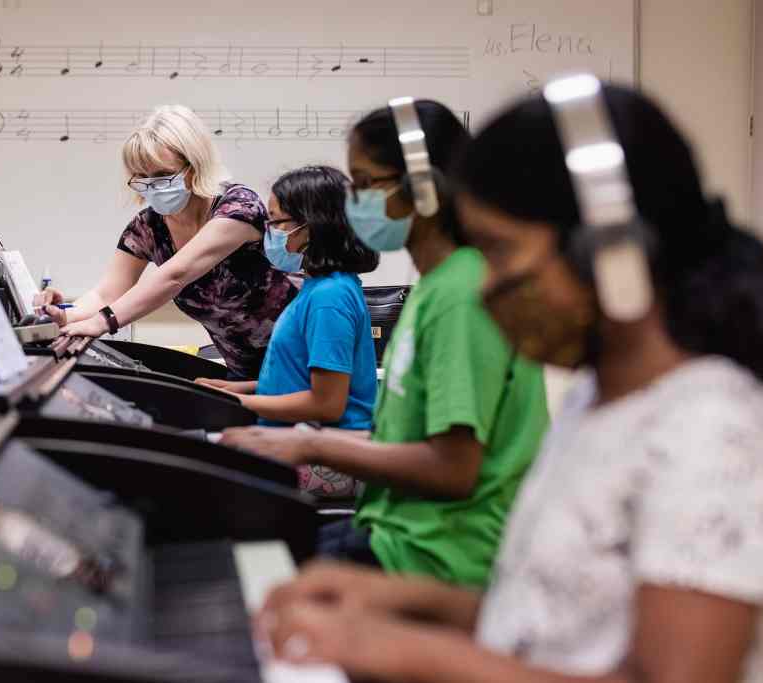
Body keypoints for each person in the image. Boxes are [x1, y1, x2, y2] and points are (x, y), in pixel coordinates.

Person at [256, 82, 763, 683]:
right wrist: (412, 608)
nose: (485, 283)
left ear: (610, 251)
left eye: (499, 252)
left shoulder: (709, 426)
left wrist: (412, 650)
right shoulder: (596, 396)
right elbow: (549, 626)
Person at [222, 100, 549, 583]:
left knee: (246, 571)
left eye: (366, 184)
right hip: (399, 528)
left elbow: (453, 467)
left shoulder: (463, 295)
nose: (354, 203)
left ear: (425, 188)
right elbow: (403, 440)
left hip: (439, 553)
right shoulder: (435, 287)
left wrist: (312, 447)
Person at [35, 105, 296, 379]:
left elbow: (176, 275)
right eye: (142, 177)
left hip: (302, 359)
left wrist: (103, 322)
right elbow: (106, 294)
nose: (152, 186)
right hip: (246, 371)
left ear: (194, 166)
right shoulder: (148, 227)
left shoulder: (239, 207)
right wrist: (65, 316)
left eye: (162, 175)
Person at [198, 165, 379, 497]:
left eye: (277, 221)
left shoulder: (330, 297)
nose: (268, 231)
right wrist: (241, 387)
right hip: (303, 438)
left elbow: (327, 404)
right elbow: (301, 377)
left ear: (313, 226)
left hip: (330, 456)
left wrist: (239, 402)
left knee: (196, 470)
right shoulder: (317, 288)